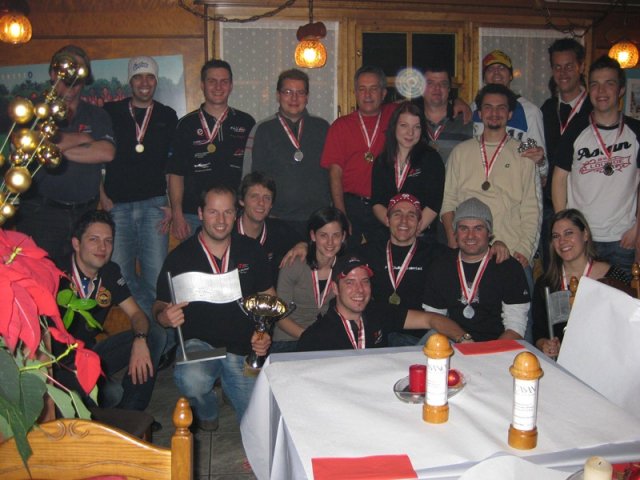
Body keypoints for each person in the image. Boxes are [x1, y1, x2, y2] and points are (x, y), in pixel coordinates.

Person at [153, 183, 274, 429]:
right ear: (200, 213)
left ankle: (230, 386)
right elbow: (159, 305)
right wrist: (164, 316)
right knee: (192, 380)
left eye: (228, 212)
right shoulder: (180, 257)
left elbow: (269, 297)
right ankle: (207, 409)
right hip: (201, 346)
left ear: (236, 214)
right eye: (213, 212)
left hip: (243, 347)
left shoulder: (251, 250)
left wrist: (264, 332)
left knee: (257, 424)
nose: (221, 220)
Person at [53, 210, 162, 412]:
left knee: (155, 335)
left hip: (90, 354)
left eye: (108, 241)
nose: (102, 247)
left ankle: (130, 414)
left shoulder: (110, 271)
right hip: (60, 363)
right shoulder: (55, 273)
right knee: (111, 394)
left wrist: (140, 340)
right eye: (94, 239)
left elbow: (137, 315)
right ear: (76, 244)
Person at [16, 45, 115, 259]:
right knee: (39, 274)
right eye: (66, 68)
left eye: (78, 70)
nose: (71, 76)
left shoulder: (96, 115)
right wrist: (82, 139)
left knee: (78, 278)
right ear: (53, 73)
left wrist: (51, 148)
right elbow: (28, 147)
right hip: (42, 214)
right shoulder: (34, 112)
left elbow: (106, 152)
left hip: (85, 216)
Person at [101, 55, 178, 319]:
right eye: (138, 77)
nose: (144, 82)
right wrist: (102, 196)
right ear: (130, 81)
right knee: (120, 276)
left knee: (156, 278)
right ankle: (154, 327)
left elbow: (172, 166)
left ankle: (156, 334)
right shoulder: (110, 111)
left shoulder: (167, 115)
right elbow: (99, 160)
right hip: (117, 206)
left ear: (156, 81)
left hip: (155, 206)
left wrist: (170, 203)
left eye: (149, 77)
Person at [552, 55, 640, 275]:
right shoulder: (575, 130)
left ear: (620, 90)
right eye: (594, 84)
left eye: (609, 83)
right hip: (583, 238)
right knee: (580, 295)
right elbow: (559, 179)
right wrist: (566, 229)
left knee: (622, 296)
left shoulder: (636, 131)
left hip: (623, 238)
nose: (601, 91)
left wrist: (638, 229)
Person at [442, 83, 540, 271]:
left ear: (509, 114)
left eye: (501, 108)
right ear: (479, 113)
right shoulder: (461, 152)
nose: (494, 113)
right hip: (468, 250)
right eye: (488, 107)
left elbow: (531, 208)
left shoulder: (523, 154)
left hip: (511, 251)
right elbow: (448, 201)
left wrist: (524, 249)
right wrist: (453, 240)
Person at [297, 255, 469, 351]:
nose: (359, 290)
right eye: (350, 282)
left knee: (437, 336)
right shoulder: (316, 337)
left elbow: (431, 319)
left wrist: (465, 341)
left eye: (365, 281)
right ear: (335, 288)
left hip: (381, 387)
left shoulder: (376, 312)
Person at [168, 59, 255, 241]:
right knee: (196, 260)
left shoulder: (246, 122)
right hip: (194, 215)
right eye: (212, 81)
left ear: (231, 86)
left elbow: (253, 173)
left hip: (235, 214)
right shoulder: (186, 124)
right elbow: (176, 173)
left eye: (224, 81)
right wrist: (177, 213)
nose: (218, 87)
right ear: (202, 85)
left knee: (234, 260)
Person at [423, 198, 530, 342]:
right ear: (455, 233)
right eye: (463, 228)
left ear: (489, 232)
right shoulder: (441, 266)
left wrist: (486, 354)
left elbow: (515, 328)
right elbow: (434, 319)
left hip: (497, 346)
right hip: (454, 342)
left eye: (478, 228)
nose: (470, 235)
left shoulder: (508, 267)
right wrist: (464, 343)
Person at [242, 69, 330, 238]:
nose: (294, 98)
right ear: (278, 95)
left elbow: (332, 172)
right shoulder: (263, 129)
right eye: (288, 92)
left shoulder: (323, 128)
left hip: (317, 219)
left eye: (300, 92)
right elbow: (253, 177)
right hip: (276, 218)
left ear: (307, 97)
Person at [532, 209, 629, 358]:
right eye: (556, 236)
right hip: (562, 363)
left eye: (569, 233)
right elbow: (539, 333)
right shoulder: (546, 283)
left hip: (605, 360)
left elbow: (626, 329)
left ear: (585, 235)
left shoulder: (614, 278)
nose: (562, 241)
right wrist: (545, 344)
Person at [320, 65, 397, 247]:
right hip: (351, 205)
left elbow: (425, 107)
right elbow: (335, 173)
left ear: (384, 93)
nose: (367, 95)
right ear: (355, 93)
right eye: (362, 89)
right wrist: (341, 214)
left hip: (385, 204)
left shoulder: (395, 118)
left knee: (383, 257)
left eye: (373, 89)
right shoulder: (340, 126)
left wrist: (456, 103)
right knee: (349, 257)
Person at [360, 193, 447, 345]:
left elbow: (470, 253)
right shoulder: (368, 252)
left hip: (420, 338)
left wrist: (492, 249)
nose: (404, 221)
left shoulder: (437, 253)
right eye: (397, 214)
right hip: (378, 338)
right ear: (387, 220)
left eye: (411, 215)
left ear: (419, 223)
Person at [540, 38, 592, 270]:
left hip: (587, 207)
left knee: (589, 271)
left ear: (581, 66)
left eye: (569, 66)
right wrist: (539, 164)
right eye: (557, 67)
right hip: (551, 206)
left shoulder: (595, 109)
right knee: (554, 272)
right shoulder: (546, 109)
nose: (563, 73)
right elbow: (531, 145)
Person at [273, 207, 349, 352]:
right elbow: (279, 316)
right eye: (323, 235)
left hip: (327, 340)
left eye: (336, 235)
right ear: (313, 236)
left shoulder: (346, 268)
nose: (330, 242)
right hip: (289, 340)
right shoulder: (294, 265)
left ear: (343, 236)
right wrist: (311, 338)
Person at [371, 101, 444, 243]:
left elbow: (434, 203)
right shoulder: (382, 160)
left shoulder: (432, 159)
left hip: (421, 235)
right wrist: (395, 229)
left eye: (416, 127)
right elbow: (377, 202)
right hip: (388, 235)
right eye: (404, 125)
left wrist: (412, 230)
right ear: (394, 127)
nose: (410, 133)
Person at [236, 172, 302, 286]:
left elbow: (304, 241)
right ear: (242, 201)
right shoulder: (228, 232)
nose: (261, 203)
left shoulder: (277, 229)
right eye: (254, 196)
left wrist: (303, 245)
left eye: (267, 198)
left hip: (268, 295)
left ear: (271, 204)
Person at [412, 66, 473, 166]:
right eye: (430, 83)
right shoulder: (410, 121)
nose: (437, 88)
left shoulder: (466, 120)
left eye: (443, 84)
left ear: (449, 89)